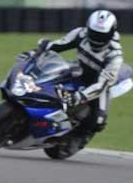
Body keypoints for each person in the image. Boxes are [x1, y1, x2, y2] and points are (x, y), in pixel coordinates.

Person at [29, 10, 123, 143]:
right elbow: (59, 45)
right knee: (45, 83)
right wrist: (38, 51)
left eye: (102, 35)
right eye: (94, 33)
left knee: (98, 121)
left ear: (111, 33)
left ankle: (76, 140)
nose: (97, 38)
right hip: (78, 70)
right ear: (88, 28)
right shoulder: (80, 34)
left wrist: (81, 96)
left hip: (97, 82)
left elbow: (102, 85)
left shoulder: (114, 55)